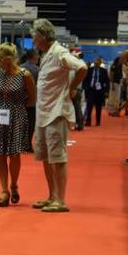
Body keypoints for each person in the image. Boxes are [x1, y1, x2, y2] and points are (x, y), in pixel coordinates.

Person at [31, 19, 87, 213]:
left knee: (58, 157)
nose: (33, 41)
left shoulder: (59, 52)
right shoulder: (46, 53)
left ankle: (60, 200)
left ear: (42, 36)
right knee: (45, 156)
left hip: (56, 111)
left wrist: (72, 88)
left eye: (34, 37)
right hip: (43, 112)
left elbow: (82, 67)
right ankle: (51, 196)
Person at [0, 43, 36, 206]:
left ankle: (14, 185)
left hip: (17, 116)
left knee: (14, 154)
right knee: (0, 154)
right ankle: (4, 191)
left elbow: (32, 99)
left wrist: (16, 108)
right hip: (0, 116)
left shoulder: (25, 75)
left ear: (9, 59)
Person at [21, 48, 40, 151]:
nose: (38, 57)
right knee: (30, 124)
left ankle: (19, 143)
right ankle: (27, 144)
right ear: (33, 56)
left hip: (20, 100)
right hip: (32, 101)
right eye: (37, 55)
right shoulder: (37, 69)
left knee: (20, 123)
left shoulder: (19, 67)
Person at [83, 56, 109, 127]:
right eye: (95, 62)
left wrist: (106, 91)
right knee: (89, 106)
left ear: (100, 63)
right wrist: (85, 88)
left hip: (99, 91)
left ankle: (98, 121)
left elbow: (107, 81)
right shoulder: (89, 70)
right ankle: (88, 121)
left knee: (98, 107)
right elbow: (85, 79)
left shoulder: (104, 71)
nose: (96, 64)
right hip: (91, 90)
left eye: (97, 63)